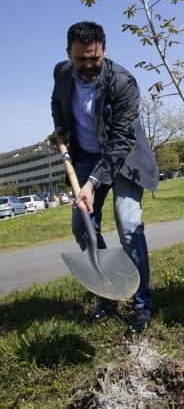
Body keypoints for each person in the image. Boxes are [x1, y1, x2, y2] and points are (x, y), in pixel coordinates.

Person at [50, 21, 158, 334]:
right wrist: (61, 129)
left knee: (127, 223)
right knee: (82, 226)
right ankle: (108, 292)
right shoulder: (61, 73)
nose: (87, 65)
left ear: (104, 51)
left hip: (124, 159)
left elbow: (122, 140)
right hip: (85, 156)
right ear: (68, 53)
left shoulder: (123, 82)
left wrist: (93, 184)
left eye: (94, 59)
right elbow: (57, 100)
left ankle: (142, 303)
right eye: (81, 59)